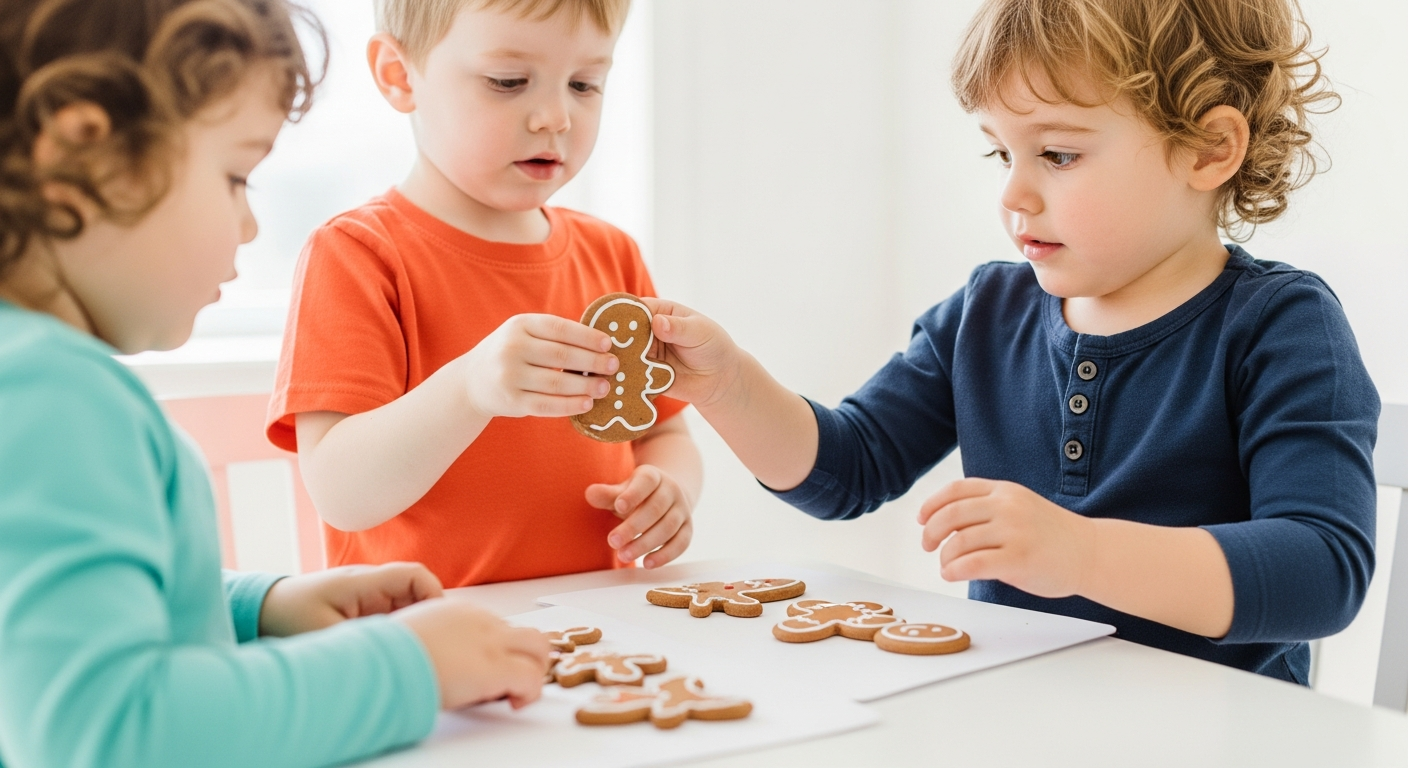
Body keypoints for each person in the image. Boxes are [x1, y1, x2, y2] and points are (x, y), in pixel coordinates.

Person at [641, 0, 1379, 683]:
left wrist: (1082, 554)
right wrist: (729, 386)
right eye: (1002, 154)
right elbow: (850, 467)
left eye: (1057, 155)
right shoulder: (986, 312)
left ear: (1209, 149)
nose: (1013, 195)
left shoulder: (1282, 327)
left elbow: (1321, 571)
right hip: (1014, 723)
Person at [0, 2, 549, 766]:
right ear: (85, 157)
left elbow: (51, 617)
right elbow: (106, 732)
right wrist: (412, 667)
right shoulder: (53, 396)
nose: (250, 227)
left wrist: (261, 609)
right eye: (235, 176)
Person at [266, 0, 702, 587]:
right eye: (508, 82)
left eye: (584, 84)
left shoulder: (613, 255)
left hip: (596, 638)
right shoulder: (357, 255)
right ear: (399, 75)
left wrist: (669, 490)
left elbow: (663, 431)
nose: (555, 116)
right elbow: (342, 494)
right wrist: (470, 388)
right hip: (423, 641)